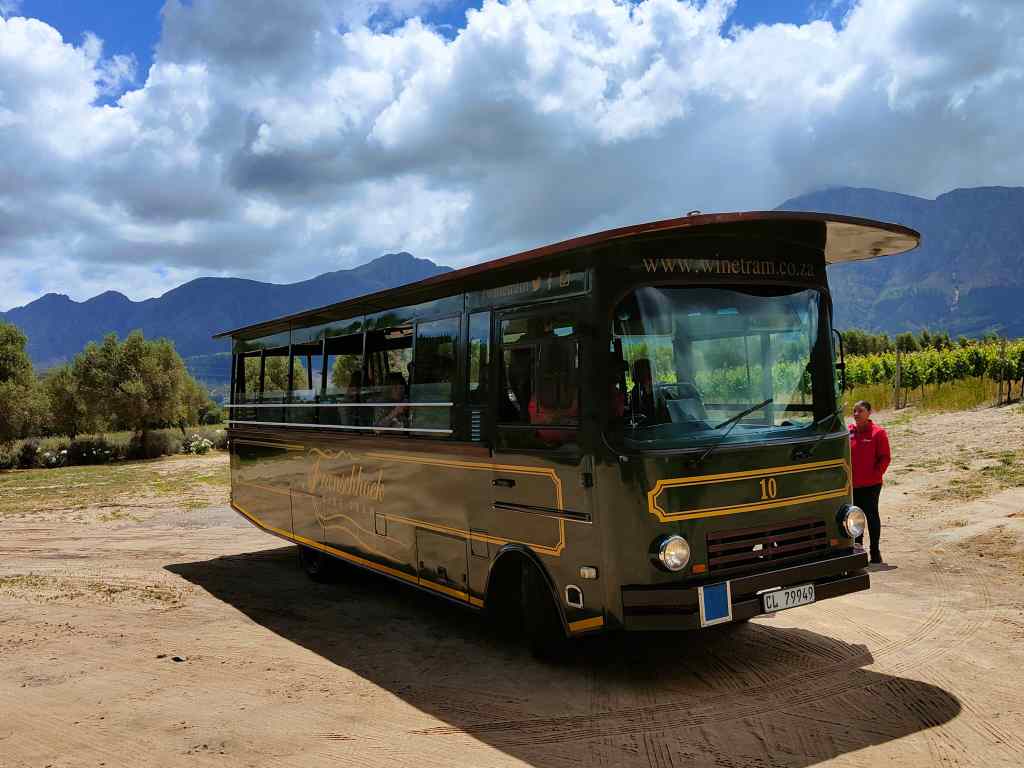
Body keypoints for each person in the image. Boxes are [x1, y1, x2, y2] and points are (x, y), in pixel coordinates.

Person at [848, 400, 891, 564]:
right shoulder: (849, 432)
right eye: (854, 411)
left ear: (869, 413)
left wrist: (876, 473)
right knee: (855, 518)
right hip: (853, 485)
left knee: (872, 516)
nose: (856, 414)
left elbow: (885, 457)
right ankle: (857, 549)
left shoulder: (878, 433)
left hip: (871, 485)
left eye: (860, 411)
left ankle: (875, 551)